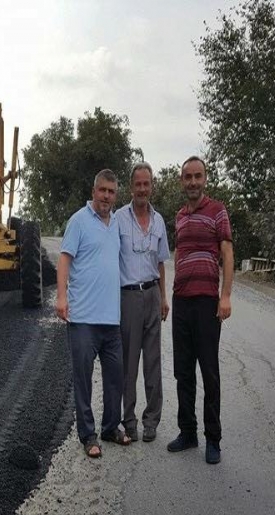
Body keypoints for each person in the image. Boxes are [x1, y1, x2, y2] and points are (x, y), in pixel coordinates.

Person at [56, 169, 131, 458]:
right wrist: (61, 297)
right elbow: (64, 260)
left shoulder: (116, 224)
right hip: (83, 319)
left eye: (111, 192)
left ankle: (111, 427)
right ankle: (88, 435)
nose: (106, 196)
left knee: (115, 379)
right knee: (83, 380)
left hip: (111, 320)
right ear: (93, 191)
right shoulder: (79, 221)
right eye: (102, 190)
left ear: (115, 195)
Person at [168, 156, 234, 464]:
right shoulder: (180, 215)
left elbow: (227, 252)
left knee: (209, 372)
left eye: (198, 176)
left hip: (207, 301)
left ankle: (213, 439)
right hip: (181, 301)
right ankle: (188, 432)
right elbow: (179, 251)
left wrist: (226, 296)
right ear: (182, 181)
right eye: (188, 177)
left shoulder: (217, 210)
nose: (193, 181)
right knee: (183, 371)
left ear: (205, 179)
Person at [118, 162, 170, 443]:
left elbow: (160, 263)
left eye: (146, 184)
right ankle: (129, 421)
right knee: (129, 363)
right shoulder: (118, 219)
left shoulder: (159, 221)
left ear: (152, 186)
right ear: (131, 187)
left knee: (153, 361)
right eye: (137, 184)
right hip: (128, 297)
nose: (142, 189)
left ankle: (152, 421)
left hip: (152, 294)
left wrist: (163, 297)